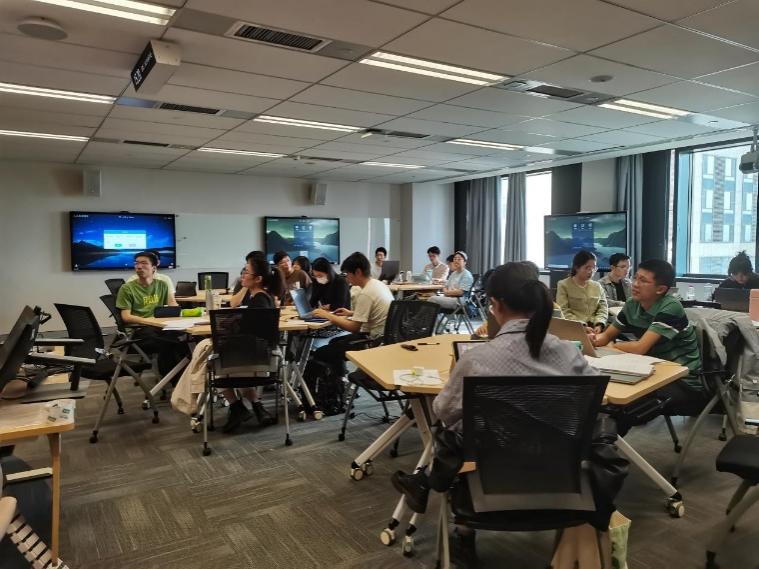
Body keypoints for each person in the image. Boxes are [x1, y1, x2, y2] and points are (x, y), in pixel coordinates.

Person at [391, 262, 600, 562]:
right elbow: (591, 396)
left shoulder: (477, 359)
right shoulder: (569, 352)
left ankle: (459, 529)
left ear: (495, 305)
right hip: (560, 479)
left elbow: (443, 411)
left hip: (488, 480)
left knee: (459, 433)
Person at [592, 259, 702, 416]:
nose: (635, 284)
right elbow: (606, 336)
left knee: (619, 407)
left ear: (660, 289)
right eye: (635, 277)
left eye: (643, 281)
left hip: (682, 381)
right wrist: (591, 338)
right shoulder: (632, 304)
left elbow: (640, 348)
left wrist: (613, 346)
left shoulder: (671, 307)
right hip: (650, 372)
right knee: (599, 393)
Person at [221, 256, 285, 432]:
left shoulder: (258, 301)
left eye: (246, 272)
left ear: (258, 279)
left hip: (253, 359)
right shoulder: (263, 297)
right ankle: (257, 408)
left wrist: (230, 324)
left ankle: (237, 407)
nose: (242, 275)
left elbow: (246, 334)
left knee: (206, 362)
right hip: (262, 357)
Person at [311, 252, 394, 377]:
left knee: (322, 352)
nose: (347, 278)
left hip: (372, 340)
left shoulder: (366, 293)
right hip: (383, 337)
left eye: (348, 274)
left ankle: (335, 383)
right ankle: (338, 379)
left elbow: (353, 327)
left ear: (358, 272)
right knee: (334, 342)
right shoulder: (378, 284)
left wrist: (328, 316)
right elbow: (373, 312)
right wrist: (351, 313)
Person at [116, 251, 187, 377]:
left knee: (184, 340)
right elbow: (126, 317)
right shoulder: (127, 288)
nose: (139, 267)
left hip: (159, 327)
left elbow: (172, 305)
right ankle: (172, 379)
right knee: (171, 343)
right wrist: (149, 321)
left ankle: (181, 378)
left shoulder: (162, 285)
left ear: (154, 267)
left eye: (144, 263)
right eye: (136, 263)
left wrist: (185, 315)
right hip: (138, 331)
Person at [556, 250, 608, 333]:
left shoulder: (597, 286)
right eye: (588, 268)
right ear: (577, 268)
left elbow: (603, 308)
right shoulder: (564, 285)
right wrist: (581, 326)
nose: (591, 271)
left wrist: (599, 323)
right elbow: (563, 310)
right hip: (574, 327)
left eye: (594, 268)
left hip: (596, 327)